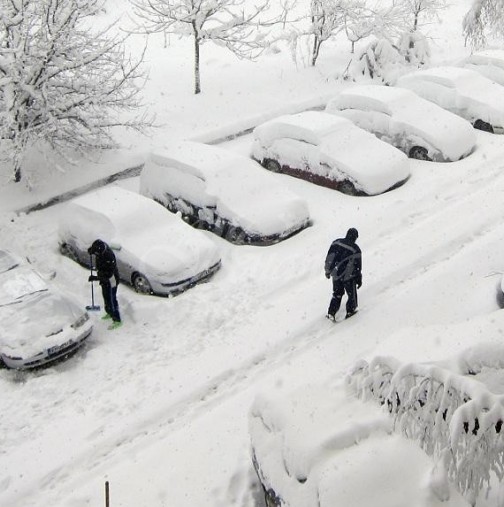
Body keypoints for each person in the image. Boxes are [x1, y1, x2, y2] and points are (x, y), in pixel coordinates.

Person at [324, 227, 362, 321]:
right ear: (355, 237)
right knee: (351, 294)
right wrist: (358, 279)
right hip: (348, 276)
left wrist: (328, 270)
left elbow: (330, 257)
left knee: (337, 293)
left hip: (336, 273)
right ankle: (350, 311)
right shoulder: (355, 249)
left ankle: (331, 313)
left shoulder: (336, 242)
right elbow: (358, 267)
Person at [87, 239, 122, 329]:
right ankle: (109, 312)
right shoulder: (100, 246)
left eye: (96, 254)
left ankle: (117, 319)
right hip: (103, 277)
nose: (96, 255)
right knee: (106, 296)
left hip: (112, 279)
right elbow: (93, 248)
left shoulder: (109, 257)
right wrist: (91, 251)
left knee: (111, 298)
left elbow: (108, 275)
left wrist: (95, 278)